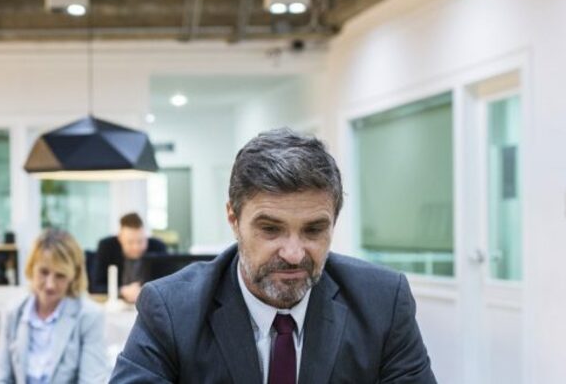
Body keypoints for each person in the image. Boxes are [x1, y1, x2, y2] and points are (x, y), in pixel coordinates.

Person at [111, 128, 436, 383]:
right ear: (234, 219)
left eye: (313, 230)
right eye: (271, 229)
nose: (294, 255)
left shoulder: (382, 303)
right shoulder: (171, 309)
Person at [0, 229, 108, 384]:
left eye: (60, 275)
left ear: (73, 277)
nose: (50, 285)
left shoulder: (90, 316)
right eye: (44, 272)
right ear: (32, 268)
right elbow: (1, 378)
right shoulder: (13, 312)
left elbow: (92, 381)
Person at [90, 213, 167, 303]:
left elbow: (166, 284)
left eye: (140, 241)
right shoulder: (106, 247)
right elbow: (95, 286)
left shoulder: (158, 247)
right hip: (116, 306)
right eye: (130, 242)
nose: (136, 247)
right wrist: (122, 290)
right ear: (120, 238)